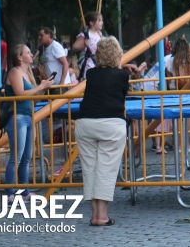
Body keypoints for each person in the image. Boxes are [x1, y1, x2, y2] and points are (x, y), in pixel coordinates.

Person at [75, 37, 129, 226]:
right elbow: (122, 95)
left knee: (90, 168)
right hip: (111, 124)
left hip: (86, 122)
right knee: (106, 168)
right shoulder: (122, 74)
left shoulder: (91, 73)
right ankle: (102, 216)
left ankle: (94, 215)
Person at [4, 44, 52, 201]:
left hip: (29, 116)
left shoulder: (28, 72)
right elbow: (21, 94)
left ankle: (24, 191)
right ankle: (10, 192)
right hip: (17, 116)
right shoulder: (14, 72)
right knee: (16, 157)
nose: (32, 55)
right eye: (28, 53)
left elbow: (33, 97)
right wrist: (40, 87)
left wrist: (43, 88)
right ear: (19, 57)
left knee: (26, 157)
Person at [72, 12, 104, 80]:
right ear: (91, 23)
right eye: (99, 20)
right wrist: (84, 44)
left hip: (99, 61)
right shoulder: (85, 35)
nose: (101, 22)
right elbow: (75, 47)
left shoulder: (99, 34)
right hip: (89, 62)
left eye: (101, 20)